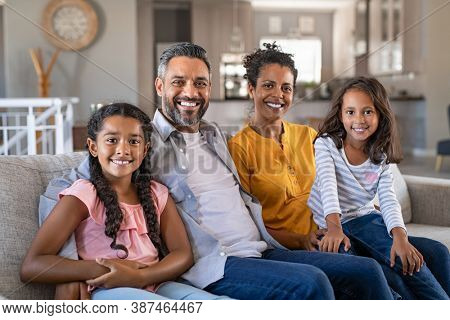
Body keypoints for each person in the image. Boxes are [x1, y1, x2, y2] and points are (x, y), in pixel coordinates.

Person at [39, 42, 394, 300]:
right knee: (312, 283)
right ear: (160, 86)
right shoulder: (140, 143)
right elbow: (64, 185)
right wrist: (72, 272)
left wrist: (304, 234)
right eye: (178, 82)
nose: (190, 93)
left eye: (200, 83)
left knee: (364, 269)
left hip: (262, 249)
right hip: (216, 265)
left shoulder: (215, 136)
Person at [21, 103, 223, 300]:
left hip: (157, 284)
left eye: (134, 141)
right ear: (93, 146)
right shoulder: (83, 195)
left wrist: (141, 276)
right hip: (107, 288)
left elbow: (182, 253)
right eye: (111, 140)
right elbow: (33, 265)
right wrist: (100, 269)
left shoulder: (156, 193)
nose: (123, 150)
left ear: (145, 150)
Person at [307, 76, 449, 300]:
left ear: (381, 114)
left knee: (406, 258)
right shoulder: (326, 143)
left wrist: (400, 237)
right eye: (350, 112)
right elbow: (327, 185)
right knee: (374, 270)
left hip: (367, 220)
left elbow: (388, 198)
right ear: (341, 115)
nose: (359, 119)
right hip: (334, 223)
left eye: (367, 111)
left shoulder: (380, 153)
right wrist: (334, 227)